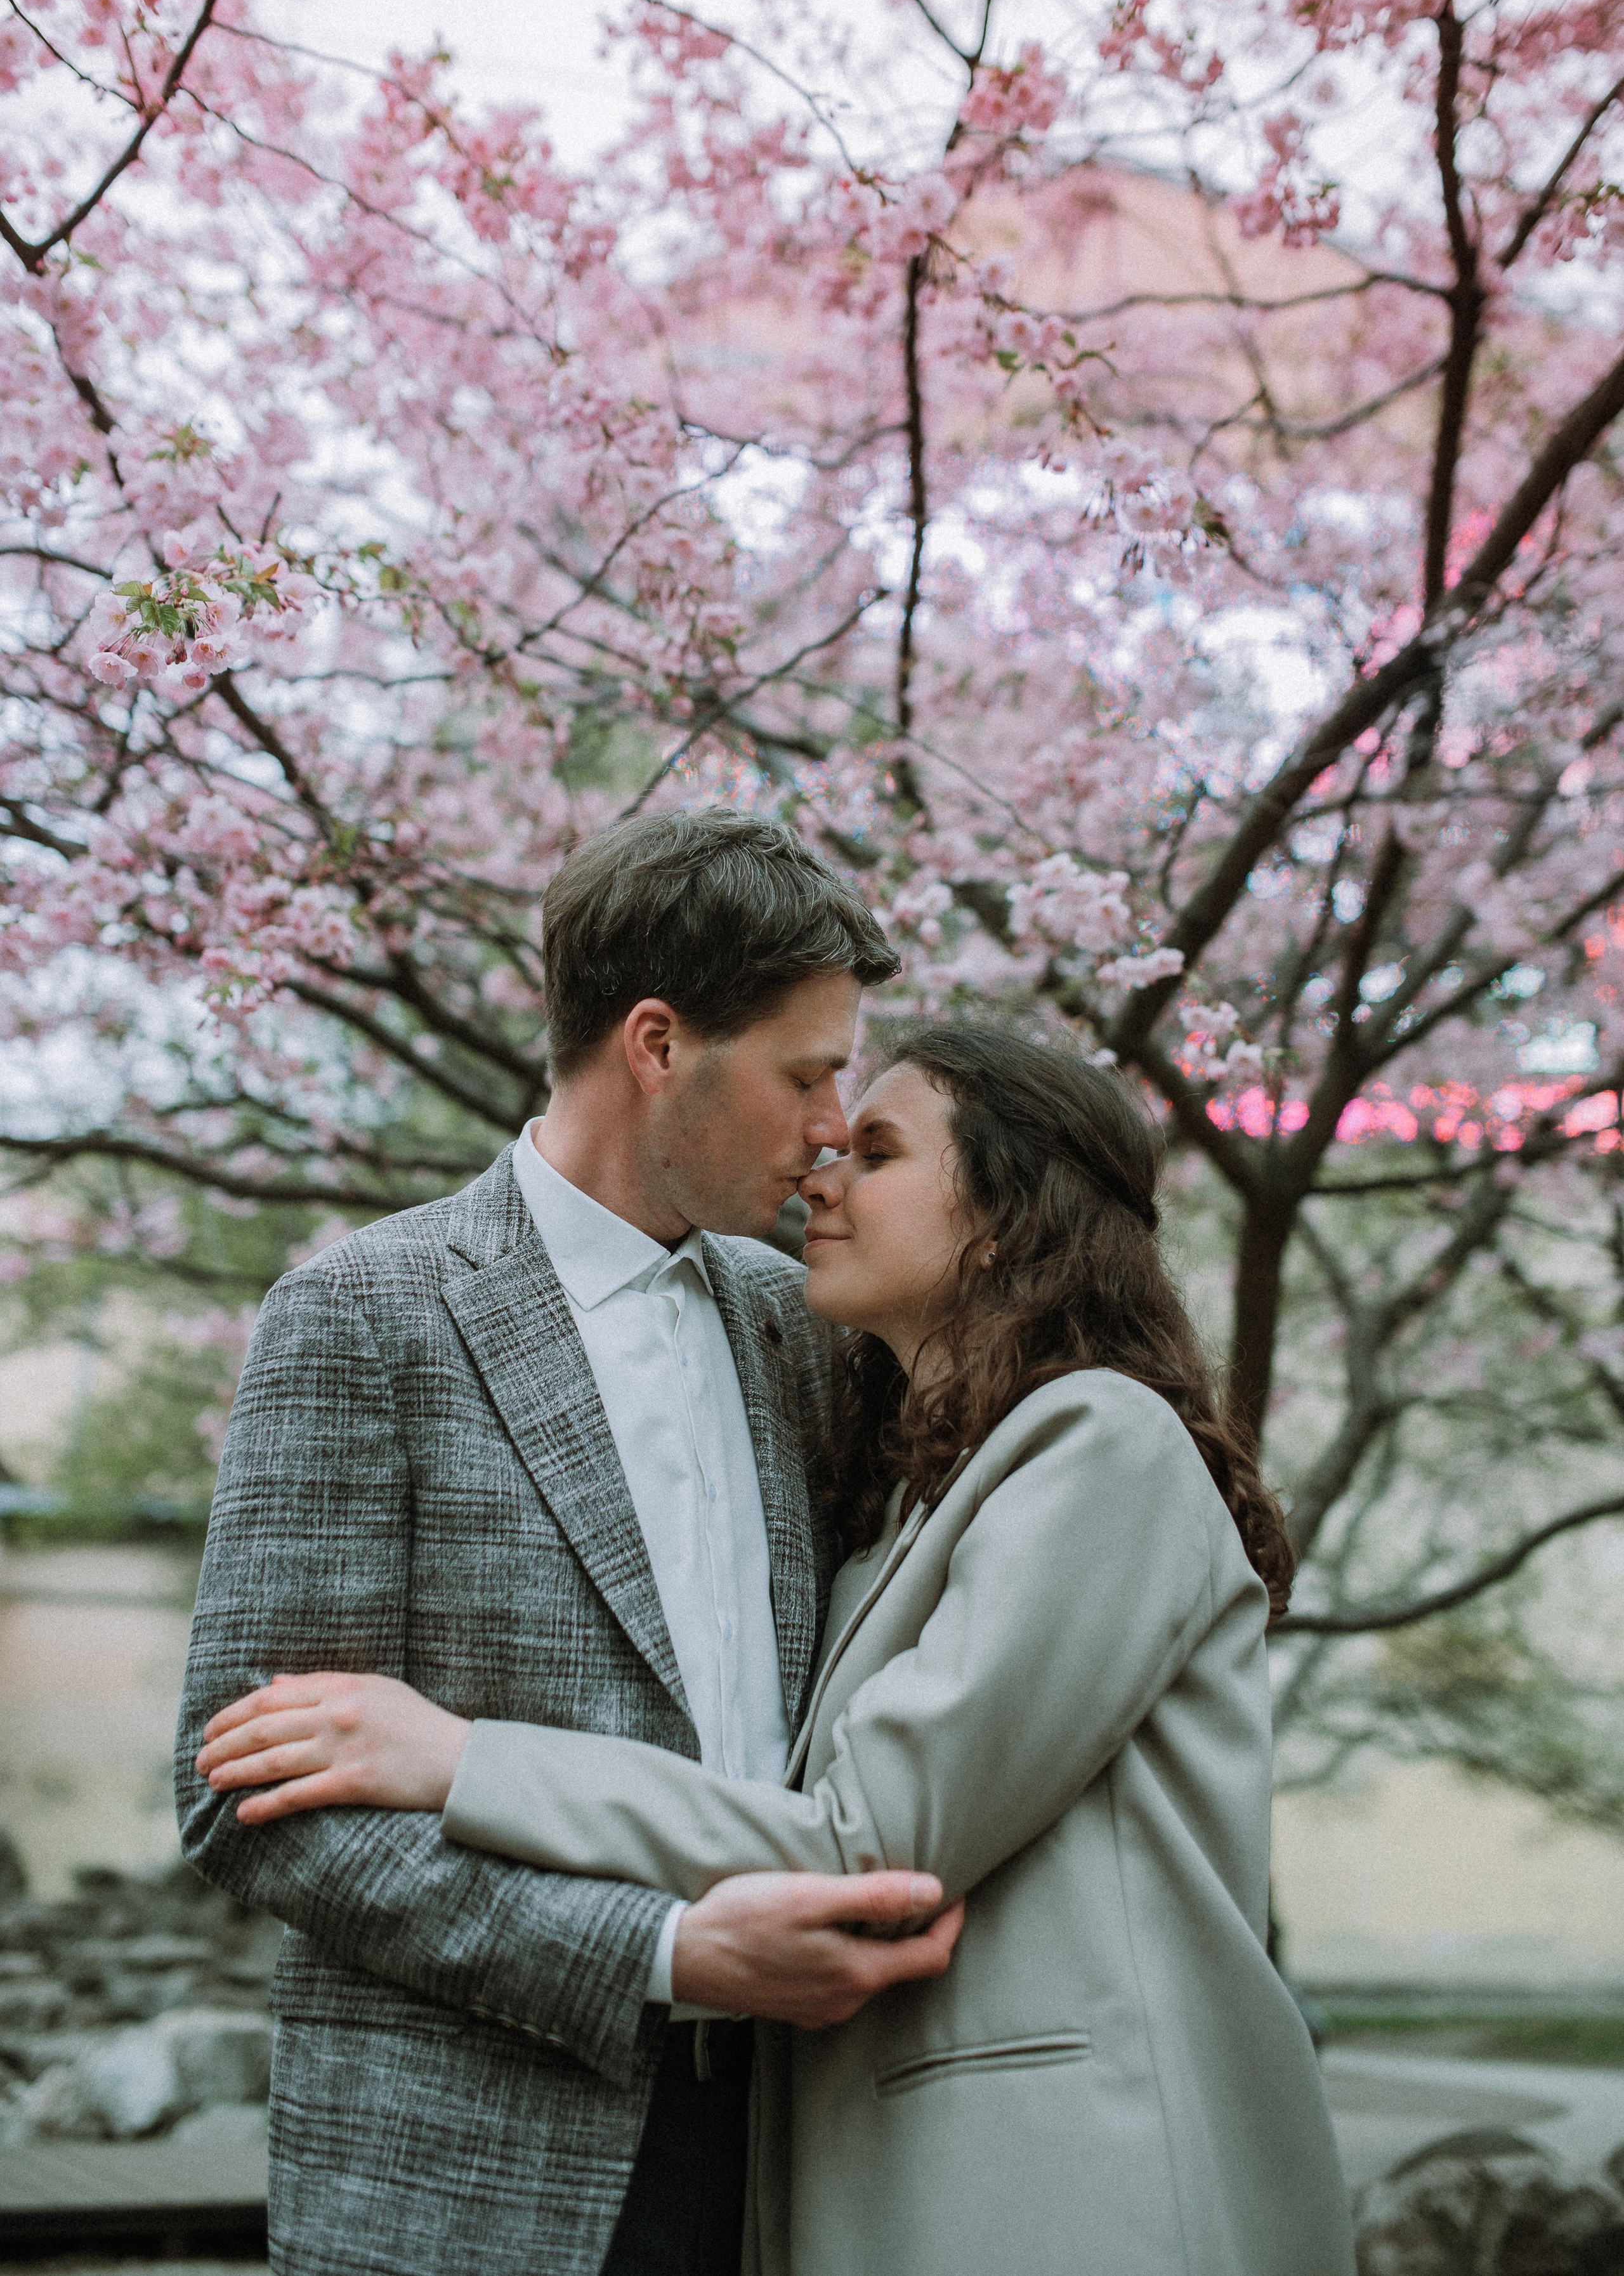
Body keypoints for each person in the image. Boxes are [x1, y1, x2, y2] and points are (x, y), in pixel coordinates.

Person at [199, 1023, 1358, 2276]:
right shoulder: (904, 1495)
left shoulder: (1103, 1445)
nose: (821, 1174)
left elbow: (866, 1844)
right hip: (872, 2181)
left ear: (1005, 1217)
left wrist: (461, 1759)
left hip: (1078, 2182)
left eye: (877, 1150)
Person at [174, 809, 969, 2276]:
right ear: (655, 1044)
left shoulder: (800, 1327)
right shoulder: (363, 1315)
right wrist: (659, 1955)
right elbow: (249, 1803)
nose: (826, 1126)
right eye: (804, 1073)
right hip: (471, 2183)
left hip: (799, 2152)